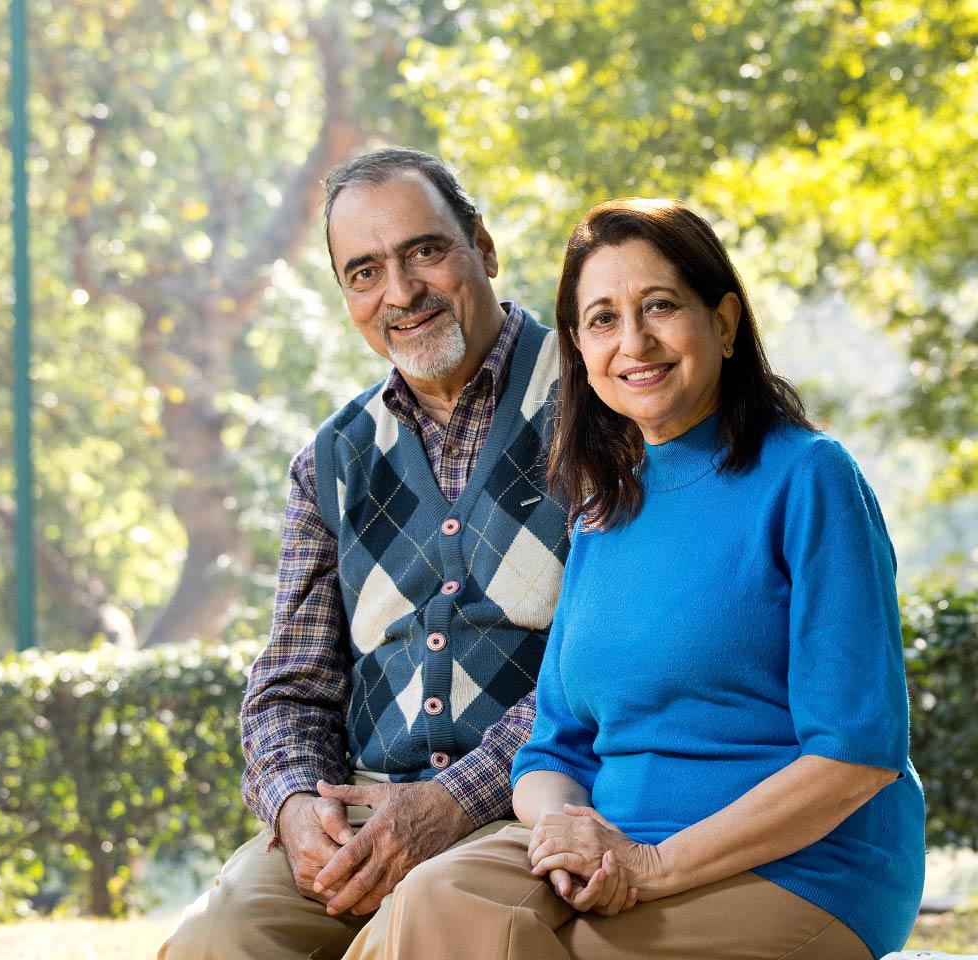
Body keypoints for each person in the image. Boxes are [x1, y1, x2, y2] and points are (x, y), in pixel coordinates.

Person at [368, 198, 926, 960]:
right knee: (435, 897)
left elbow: (855, 755)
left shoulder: (809, 478)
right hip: (616, 847)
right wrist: (570, 831)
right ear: (579, 348)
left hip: (800, 869)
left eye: (660, 306)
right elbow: (552, 751)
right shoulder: (604, 511)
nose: (634, 342)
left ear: (724, 323)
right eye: (602, 319)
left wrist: (654, 866)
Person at [160, 147, 571, 959]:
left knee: (429, 918)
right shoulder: (332, 459)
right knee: (221, 932)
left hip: (533, 800)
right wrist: (293, 807)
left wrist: (452, 800)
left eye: (425, 251)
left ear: (481, 247)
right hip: (367, 812)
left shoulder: (596, 401)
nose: (401, 292)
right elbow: (289, 689)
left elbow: (607, 663)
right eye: (365, 271)